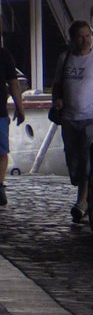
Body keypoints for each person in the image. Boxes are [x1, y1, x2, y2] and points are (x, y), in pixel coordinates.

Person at [51, 20, 93, 224]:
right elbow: (57, 85)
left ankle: (82, 202)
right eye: (81, 36)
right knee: (74, 161)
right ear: (72, 38)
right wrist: (57, 101)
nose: (85, 40)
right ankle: (85, 192)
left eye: (88, 35)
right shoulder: (65, 59)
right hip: (70, 118)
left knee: (86, 155)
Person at [0, 23, 26, 208]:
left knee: (2, 151)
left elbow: (14, 83)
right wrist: (20, 107)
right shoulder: (3, 55)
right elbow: (14, 83)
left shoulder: (4, 55)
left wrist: (20, 106)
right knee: (1, 152)